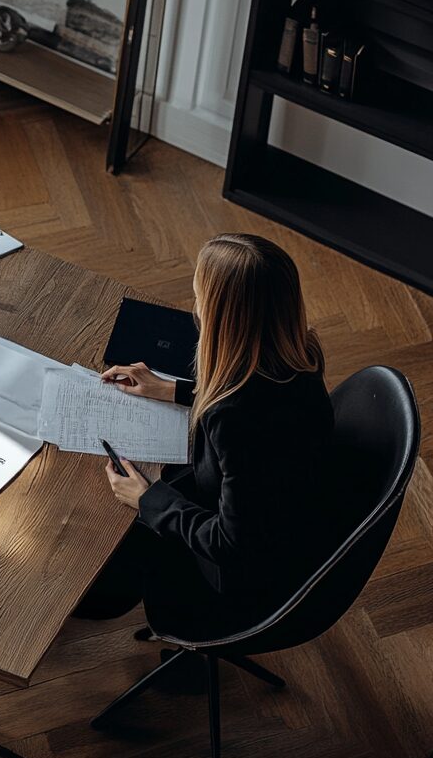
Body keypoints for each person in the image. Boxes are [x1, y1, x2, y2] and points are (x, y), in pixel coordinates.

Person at [75, 233, 334, 628]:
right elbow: (261, 404)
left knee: (100, 546)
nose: (195, 307)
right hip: (297, 521)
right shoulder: (301, 351)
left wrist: (148, 500)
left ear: (222, 315)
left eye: (200, 297)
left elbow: (230, 545)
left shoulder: (235, 417)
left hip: (237, 582)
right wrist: (172, 389)